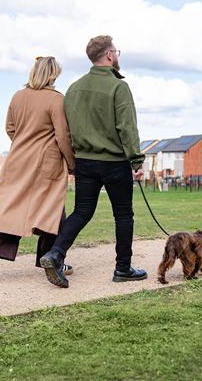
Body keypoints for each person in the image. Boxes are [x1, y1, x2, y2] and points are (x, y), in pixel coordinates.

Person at [40, 35, 146, 288]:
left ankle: (55, 254)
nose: (117, 56)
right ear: (109, 55)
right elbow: (127, 127)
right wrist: (137, 161)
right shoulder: (119, 87)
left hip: (85, 162)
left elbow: (68, 129)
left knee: (82, 211)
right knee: (123, 216)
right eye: (116, 52)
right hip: (114, 162)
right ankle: (123, 269)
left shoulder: (74, 88)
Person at [0, 56, 75, 283]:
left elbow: (10, 128)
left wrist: (24, 142)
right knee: (52, 212)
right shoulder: (55, 99)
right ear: (53, 74)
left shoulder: (18, 96)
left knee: (16, 210)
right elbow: (63, 135)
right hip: (45, 163)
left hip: (17, 159)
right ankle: (52, 257)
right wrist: (72, 163)